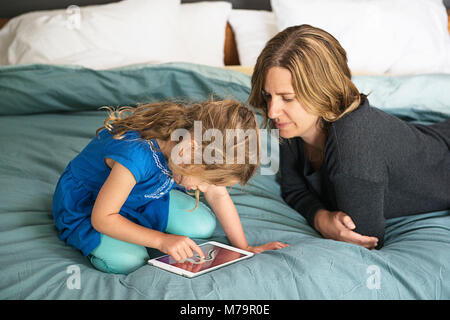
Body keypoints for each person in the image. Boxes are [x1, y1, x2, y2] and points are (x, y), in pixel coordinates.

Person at [249, 24, 450, 250]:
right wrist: (321, 218)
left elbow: (366, 242)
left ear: (323, 92)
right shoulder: (293, 125)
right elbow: (293, 188)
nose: (272, 111)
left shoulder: (352, 155)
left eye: (287, 98)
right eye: (268, 95)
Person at [52, 99, 288, 274]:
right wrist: (161, 241)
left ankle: (136, 225)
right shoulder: (135, 156)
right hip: (91, 207)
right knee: (129, 261)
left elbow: (217, 194)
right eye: (206, 181)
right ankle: (112, 239)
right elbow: (102, 218)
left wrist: (244, 246)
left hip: (141, 198)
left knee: (203, 224)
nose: (206, 189)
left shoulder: (186, 146)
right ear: (188, 150)